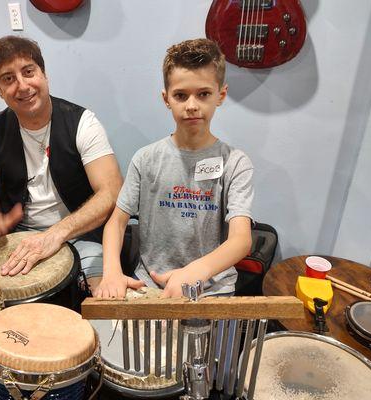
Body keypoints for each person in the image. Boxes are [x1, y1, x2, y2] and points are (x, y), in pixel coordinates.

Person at [0, 36, 123, 293]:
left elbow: (111, 192)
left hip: (78, 236)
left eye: (28, 72)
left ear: (44, 74)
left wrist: (56, 234)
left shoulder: (83, 123)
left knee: (100, 298)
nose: (22, 86)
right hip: (17, 239)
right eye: (8, 79)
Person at [95, 38, 253, 299]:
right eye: (181, 95)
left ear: (220, 95)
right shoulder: (145, 159)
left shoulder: (236, 163)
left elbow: (241, 239)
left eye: (203, 94)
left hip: (212, 289)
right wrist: (111, 271)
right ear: (166, 98)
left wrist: (193, 272)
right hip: (150, 283)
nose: (191, 105)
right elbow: (117, 222)